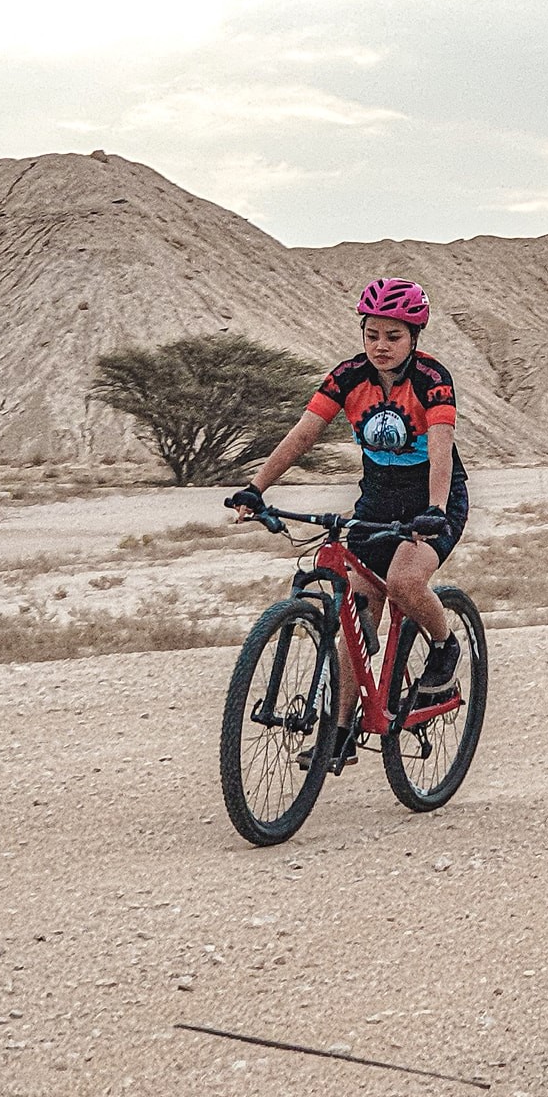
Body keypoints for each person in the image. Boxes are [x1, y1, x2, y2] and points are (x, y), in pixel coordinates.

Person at [225, 277, 469, 768]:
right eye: (372, 333)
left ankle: (444, 648)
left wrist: (435, 511)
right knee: (354, 619)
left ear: (414, 337)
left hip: (432, 500)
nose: (381, 346)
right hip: (376, 503)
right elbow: (301, 437)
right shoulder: (347, 378)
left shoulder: (432, 380)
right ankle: (338, 732)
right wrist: (257, 489)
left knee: (403, 579)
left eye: (393, 336)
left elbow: (440, 451)